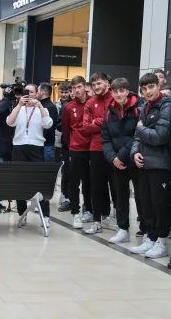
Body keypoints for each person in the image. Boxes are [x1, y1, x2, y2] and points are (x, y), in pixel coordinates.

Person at [130, 72, 171, 259]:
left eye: (151, 87)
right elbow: (138, 137)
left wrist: (140, 128)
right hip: (144, 163)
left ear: (158, 85)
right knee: (146, 204)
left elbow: (160, 137)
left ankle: (162, 242)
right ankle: (151, 238)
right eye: (144, 89)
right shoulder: (145, 107)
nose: (148, 91)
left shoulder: (167, 106)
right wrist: (135, 152)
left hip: (161, 164)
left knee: (160, 205)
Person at [102, 78, 145, 243]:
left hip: (135, 158)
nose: (119, 94)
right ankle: (122, 229)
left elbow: (137, 135)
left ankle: (146, 229)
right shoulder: (108, 112)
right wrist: (113, 158)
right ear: (111, 92)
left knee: (141, 196)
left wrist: (122, 155)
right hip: (117, 162)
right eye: (115, 91)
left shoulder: (138, 109)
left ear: (127, 91)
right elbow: (105, 139)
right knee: (120, 196)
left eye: (122, 90)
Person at [7, 86, 53, 227]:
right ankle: (22, 213)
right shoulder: (19, 108)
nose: (29, 95)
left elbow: (48, 124)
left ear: (37, 94)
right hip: (19, 147)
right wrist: (19, 104)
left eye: (32, 92)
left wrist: (39, 106)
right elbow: (10, 122)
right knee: (19, 182)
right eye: (26, 92)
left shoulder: (42, 109)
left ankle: (45, 215)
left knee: (39, 181)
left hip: (36, 147)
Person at [83, 72, 117, 235]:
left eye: (99, 83)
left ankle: (113, 218)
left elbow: (116, 124)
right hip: (95, 149)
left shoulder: (115, 98)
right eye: (94, 84)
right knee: (97, 186)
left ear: (108, 83)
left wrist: (97, 121)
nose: (96, 87)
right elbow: (86, 127)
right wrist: (102, 121)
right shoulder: (90, 102)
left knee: (116, 186)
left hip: (115, 149)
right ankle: (97, 220)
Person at [61, 76, 93, 229]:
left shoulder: (92, 102)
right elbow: (66, 130)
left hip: (92, 148)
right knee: (74, 182)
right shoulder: (68, 107)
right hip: (75, 149)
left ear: (85, 86)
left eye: (79, 87)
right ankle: (76, 212)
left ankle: (89, 209)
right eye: (73, 88)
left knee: (89, 181)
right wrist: (71, 144)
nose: (76, 90)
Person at [55, 82, 72, 211]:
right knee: (56, 170)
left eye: (66, 92)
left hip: (69, 144)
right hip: (57, 142)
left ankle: (65, 196)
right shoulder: (56, 106)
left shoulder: (72, 105)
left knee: (67, 171)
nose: (64, 94)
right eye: (62, 92)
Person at [38, 83, 58, 162]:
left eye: (37, 91)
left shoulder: (50, 107)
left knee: (46, 171)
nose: (36, 93)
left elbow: (50, 127)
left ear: (42, 92)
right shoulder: (40, 105)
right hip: (42, 145)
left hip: (47, 146)